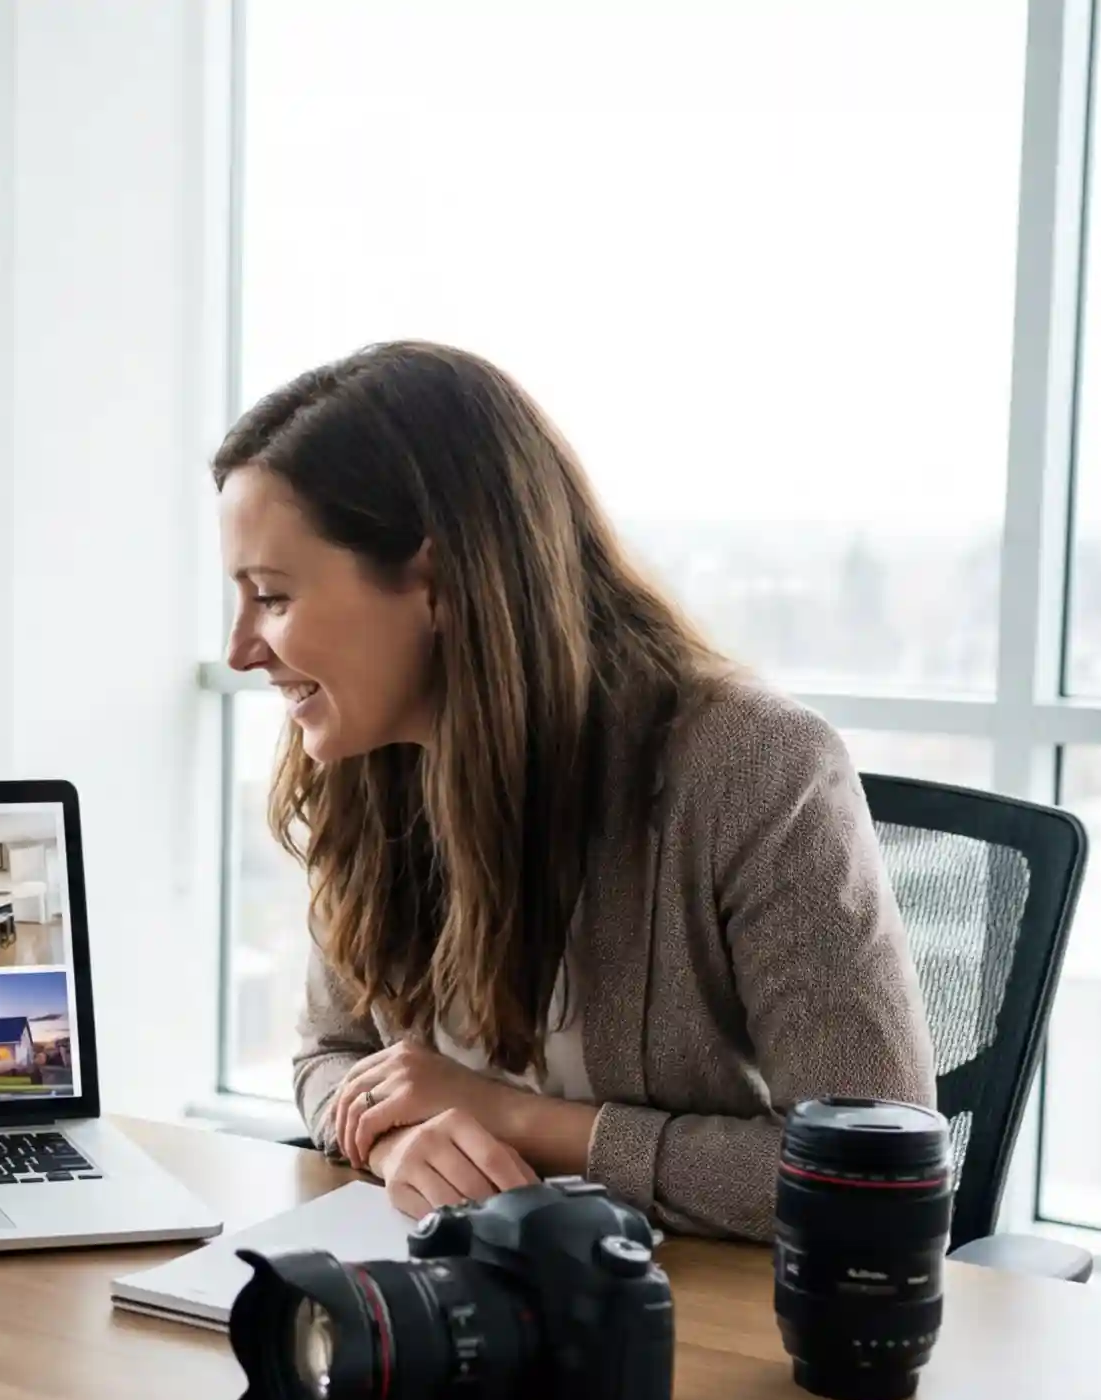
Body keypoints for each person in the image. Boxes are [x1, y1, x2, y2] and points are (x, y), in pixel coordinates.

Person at [217, 340, 936, 1242]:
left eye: (272, 598)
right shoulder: (367, 759)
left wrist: (513, 1120)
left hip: (693, 1320)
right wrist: (398, 1141)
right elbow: (333, 1054)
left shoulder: (752, 768)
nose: (240, 649)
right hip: (455, 1293)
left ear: (434, 581)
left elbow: (871, 1176)